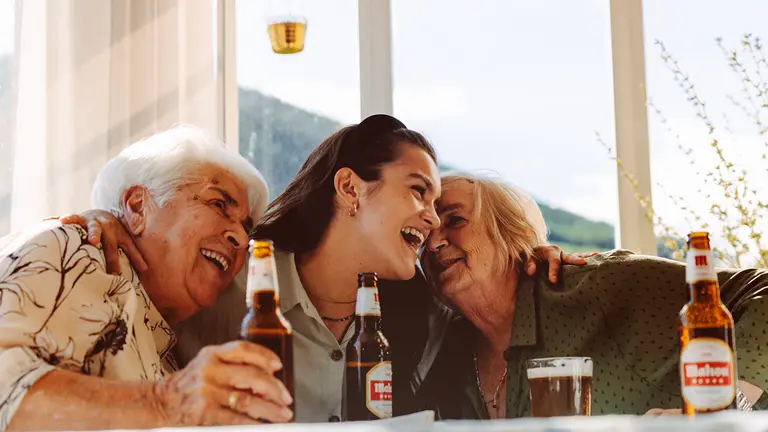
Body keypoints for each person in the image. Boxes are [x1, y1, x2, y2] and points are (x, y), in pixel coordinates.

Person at [59, 114, 587, 423]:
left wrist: (534, 257)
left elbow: (497, 294)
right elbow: (144, 280)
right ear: (350, 189)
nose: (430, 219)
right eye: (418, 192)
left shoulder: (425, 319)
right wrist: (101, 217)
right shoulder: (235, 278)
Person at [0, 126, 294, 430]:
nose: (241, 238)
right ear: (138, 207)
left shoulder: (167, 350)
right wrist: (165, 401)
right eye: (218, 204)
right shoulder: (76, 248)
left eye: (246, 227)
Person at [417, 173, 768, 419]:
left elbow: (762, 288)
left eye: (456, 220)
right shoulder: (444, 352)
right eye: (425, 233)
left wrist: (726, 410)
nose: (434, 242)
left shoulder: (602, 283)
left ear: (510, 232)